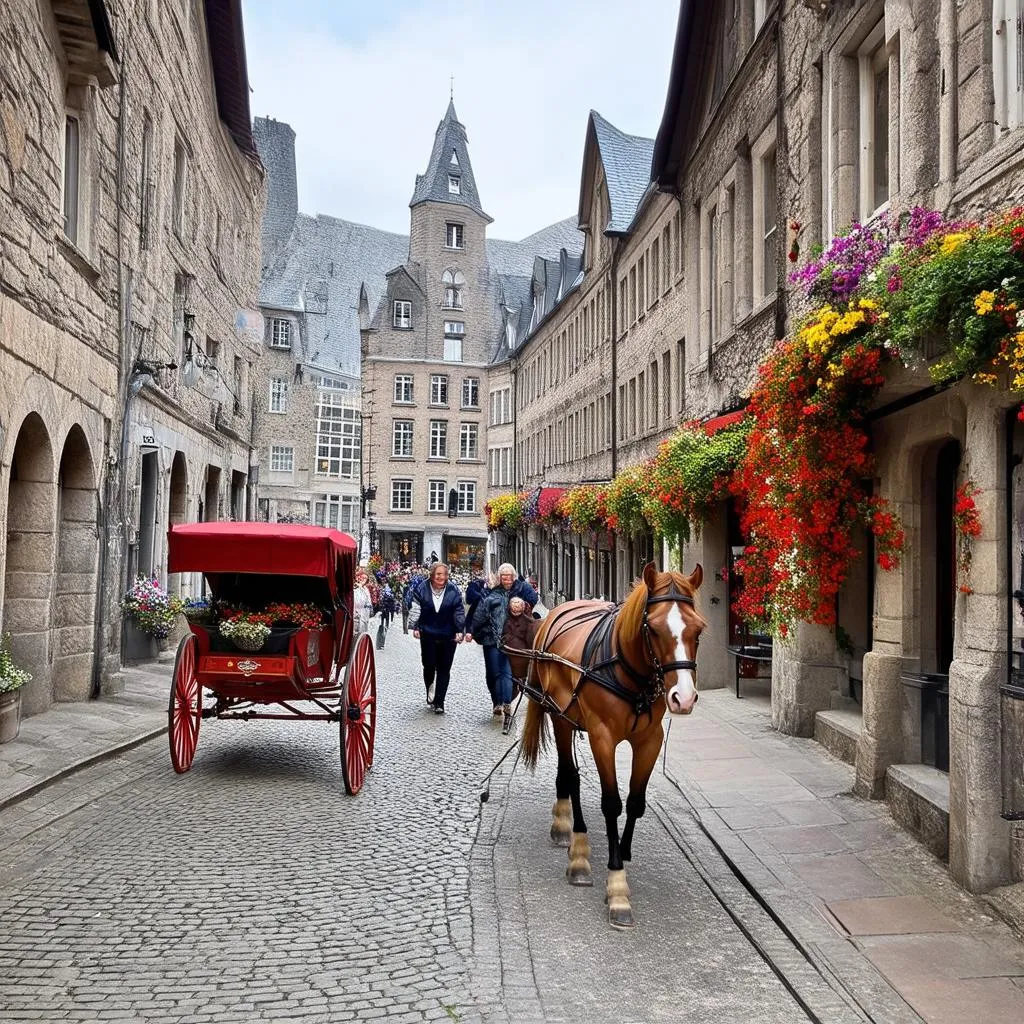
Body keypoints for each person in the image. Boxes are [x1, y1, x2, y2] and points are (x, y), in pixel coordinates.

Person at [471, 563, 538, 729]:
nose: (507, 579)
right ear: (500, 578)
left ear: (514, 577)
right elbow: (479, 616)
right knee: (493, 673)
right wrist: (479, 635)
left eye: (509, 576)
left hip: (513, 641)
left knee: (507, 673)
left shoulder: (522, 588)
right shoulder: (491, 593)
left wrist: (523, 605)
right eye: (503, 576)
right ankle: (497, 701)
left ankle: (507, 704)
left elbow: (533, 600)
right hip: (492, 640)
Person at [407, 562, 467, 715]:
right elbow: (415, 607)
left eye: (444, 574)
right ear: (432, 575)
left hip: (448, 633)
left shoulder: (453, 590)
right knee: (428, 665)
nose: (442, 577)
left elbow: (458, 610)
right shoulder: (421, 588)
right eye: (438, 574)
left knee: (444, 668)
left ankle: (440, 701)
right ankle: (430, 686)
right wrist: (415, 626)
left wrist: (460, 629)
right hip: (428, 632)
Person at [500, 597, 540, 735]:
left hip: (521, 659)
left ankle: (507, 705)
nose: (516, 609)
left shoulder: (529, 623)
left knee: (516, 683)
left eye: (518, 607)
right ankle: (504, 704)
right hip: (505, 655)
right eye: (513, 607)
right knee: (505, 680)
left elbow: (531, 642)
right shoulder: (503, 619)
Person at [353, 568, 375, 635]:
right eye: (362, 577)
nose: (363, 579)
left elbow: (369, 603)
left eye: (365, 578)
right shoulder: (354, 588)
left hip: (364, 618)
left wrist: (371, 611)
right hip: (356, 618)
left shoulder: (366, 590)